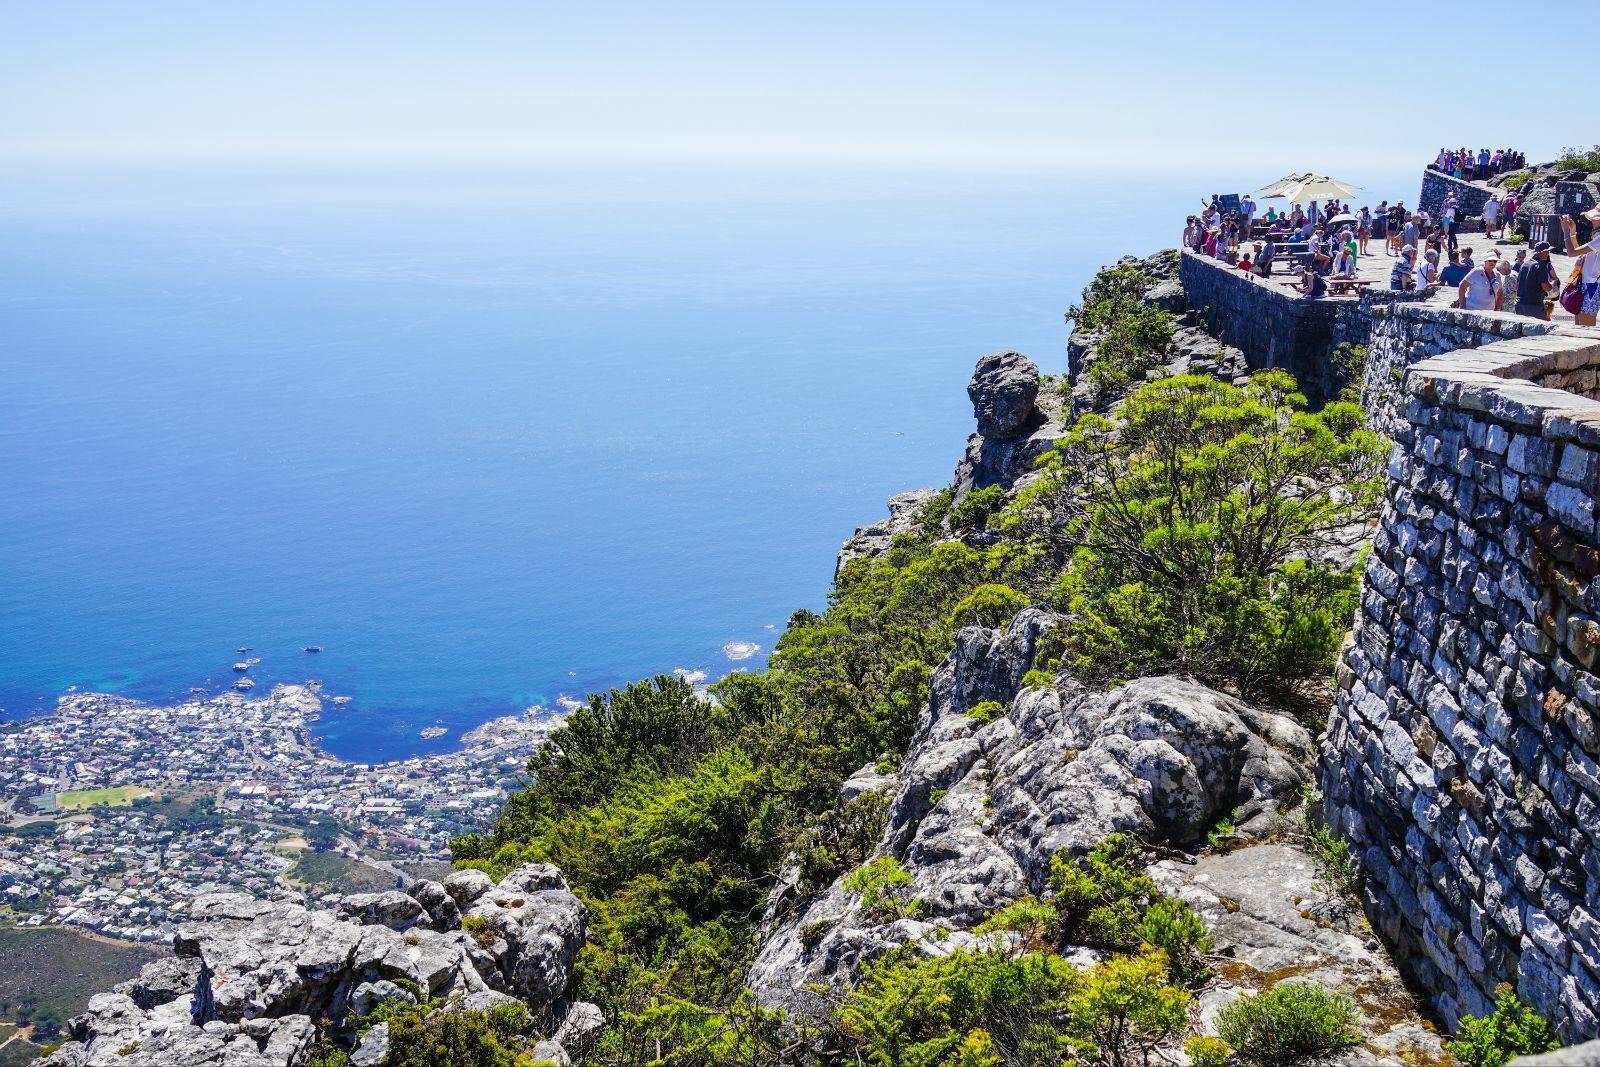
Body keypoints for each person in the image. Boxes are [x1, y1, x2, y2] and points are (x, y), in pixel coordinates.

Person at [1516, 243, 1560, 319]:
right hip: (1534, 305)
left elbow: (1518, 284)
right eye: (1546, 251)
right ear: (1540, 252)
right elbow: (1546, 288)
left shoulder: (1524, 264)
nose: (1547, 254)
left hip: (1520, 304)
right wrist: (1554, 283)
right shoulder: (1541, 265)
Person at [1571, 233, 1600, 326]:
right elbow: (1578, 250)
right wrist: (1572, 233)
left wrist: (1566, 231)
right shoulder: (1593, 248)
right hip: (1585, 285)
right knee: (1579, 325)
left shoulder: (1598, 243)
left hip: (1592, 286)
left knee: (1587, 327)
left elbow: (1571, 252)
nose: (1593, 236)